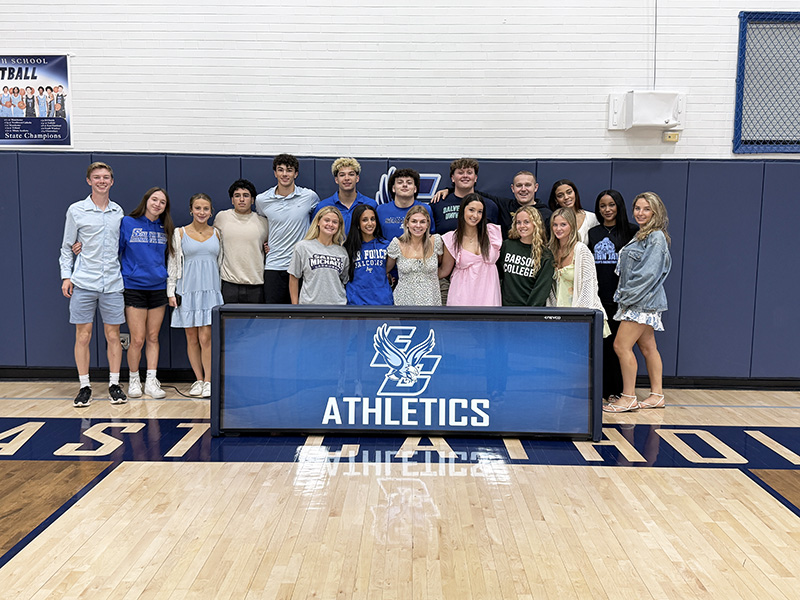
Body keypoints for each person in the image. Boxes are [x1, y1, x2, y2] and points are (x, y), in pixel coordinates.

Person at [59, 162, 126, 407]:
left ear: (112, 181)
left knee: (113, 336)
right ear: (89, 181)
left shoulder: (118, 212)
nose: (101, 181)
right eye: (96, 177)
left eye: (106, 177)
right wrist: (67, 276)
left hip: (112, 283)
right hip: (84, 282)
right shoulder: (76, 210)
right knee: (83, 336)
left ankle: (114, 384)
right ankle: (84, 386)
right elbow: (67, 247)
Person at [604, 192, 672, 413]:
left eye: (646, 209)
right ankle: (657, 395)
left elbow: (647, 275)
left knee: (620, 346)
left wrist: (625, 298)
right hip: (641, 301)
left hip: (640, 303)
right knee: (648, 347)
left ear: (655, 211)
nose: (640, 213)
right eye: (637, 208)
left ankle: (628, 397)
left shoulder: (656, 237)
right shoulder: (643, 235)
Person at [118, 187, 174, 399]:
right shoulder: (127, 223)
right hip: (134, 287)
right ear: (146, 200)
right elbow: (114, 250)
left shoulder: (165, 227)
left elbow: (171, 258)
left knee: (153, 336)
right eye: (154, 199)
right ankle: (134, 380)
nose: (157, 204)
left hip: (158, 287)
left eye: (162, 202)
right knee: (138, 339)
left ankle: (151, 380)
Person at [167, 193, 224, 398]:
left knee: (206, 337)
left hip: (210, 290)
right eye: (198, 208)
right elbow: (173, 264)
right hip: (187, 290)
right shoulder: (179, 233)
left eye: (206, 208)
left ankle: (209, 381)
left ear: (211, 211)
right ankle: (198, 380)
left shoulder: (217, 233)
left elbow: (221, 262)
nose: (202, 212)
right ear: (191, 210)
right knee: (191, 337)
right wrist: (171, 291)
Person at [588, 190, 638, 402]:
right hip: (599, 297)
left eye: (611, 205)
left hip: (622, 299)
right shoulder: (593, 233)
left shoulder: (632, 232)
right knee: (603, 346)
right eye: (602, 206)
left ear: (619, 205)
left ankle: (620, 390)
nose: (607, 209)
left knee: (620, 346)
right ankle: (602, 389)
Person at [255, 154, 320, 303]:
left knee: (301, 318)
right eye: (281, 170)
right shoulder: (262, 200)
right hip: (274, 265)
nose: (285, 174)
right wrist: (265, 242)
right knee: (274, 319)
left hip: (302, 266)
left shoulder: (309, 196)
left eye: (289, 170)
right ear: (275, 173)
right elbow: (262, 224)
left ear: (295, 174)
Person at [546, 208, 610, 336]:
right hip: (558, 316)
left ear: (572, 225)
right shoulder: (551, 250)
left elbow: (589, 286)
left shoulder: (581, 250)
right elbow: (551, 288)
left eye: (563, 224)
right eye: (555, 225)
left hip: (580, 316)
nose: (558, 228)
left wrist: (580, 317)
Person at [433, 170, 550, 238]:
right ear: (512, 188)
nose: (523, 189)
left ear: (536, 187)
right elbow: (471, 191)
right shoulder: (504, 205)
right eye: (519, 186)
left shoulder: (546, 214)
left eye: (528, 185)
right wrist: (451, 190)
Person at [439, 193, 502, 306]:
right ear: (463, 210)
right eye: (471, 210)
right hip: (462, 296)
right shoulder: (452, 238)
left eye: (479, 211)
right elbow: (444, 271)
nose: (475, 215)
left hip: (489, 296)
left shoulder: (492, 233)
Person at [214, 179, 270, 304]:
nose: (242, 199)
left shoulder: (263, 222)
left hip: (256, 284)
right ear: (232, 200)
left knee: (256, 323)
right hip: (229, 284)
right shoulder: (222, 217)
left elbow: (269, 247)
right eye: (237, 196)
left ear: (253, 200)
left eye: (246, 196)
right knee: (227, 323)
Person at [288, 206, 349, 305]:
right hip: (310, 307)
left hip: (338, 307)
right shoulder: (302, 247)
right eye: (326, 220)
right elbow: (294, 278)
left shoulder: (342, 251)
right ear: (318, 222)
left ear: (339, 226)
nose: (330, 224)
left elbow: (344, 280)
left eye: (335, 222)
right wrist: (296, 307)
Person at [386, 206, 444, 306]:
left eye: (422, 222)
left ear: (427, 224)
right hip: (403, 303)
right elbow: (386, 269)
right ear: (407, 223)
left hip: (431, 302)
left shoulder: (436, 241)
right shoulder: (397, 243)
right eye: (414, 221)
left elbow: (441, 265)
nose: (418, 226)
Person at [498, 205, 555, 306]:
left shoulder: (546, 255)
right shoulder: (507, 245)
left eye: (526, 222)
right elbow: (499, 277)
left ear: (535, 224)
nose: (522, 226)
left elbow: (541, 290)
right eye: (518, 222)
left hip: (529, 313)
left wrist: (529, 314)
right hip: (505, 310)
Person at [430, 158, 498, 234]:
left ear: (475, 178)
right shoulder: (438, 203)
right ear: (453, 178)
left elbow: (493, 238)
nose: (465, 176)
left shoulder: (489, 205)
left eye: (469, 173)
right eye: (460, 173)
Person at [343, 205, 393, 305]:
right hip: (355, 304)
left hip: (382, 302)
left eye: (373, 219)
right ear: (357, 223)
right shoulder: (347, 248)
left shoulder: (386, 245)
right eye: (365, 220)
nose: (370, 223)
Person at [312, 158, 377, 235]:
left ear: (357, 178)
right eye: (342, 175)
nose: (347, 178)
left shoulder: (370, 204)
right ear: (336, 180)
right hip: (333, 247)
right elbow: (315, 234)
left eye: (351, 174)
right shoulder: (323, 206)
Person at [376, 168, 435, 241]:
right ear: (393, 188)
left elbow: (431, 236)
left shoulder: (426, 209)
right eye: (400, 182)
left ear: (415, 189)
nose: (404, 185)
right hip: (388, 251)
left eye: (409, 183)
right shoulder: (381, 210)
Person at [548, 179, 599, 245]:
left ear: (575, 193)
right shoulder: (553, 220)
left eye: (569, 192)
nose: (566, 197)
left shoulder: (591, 218)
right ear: (556, 200)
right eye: (560, 195)